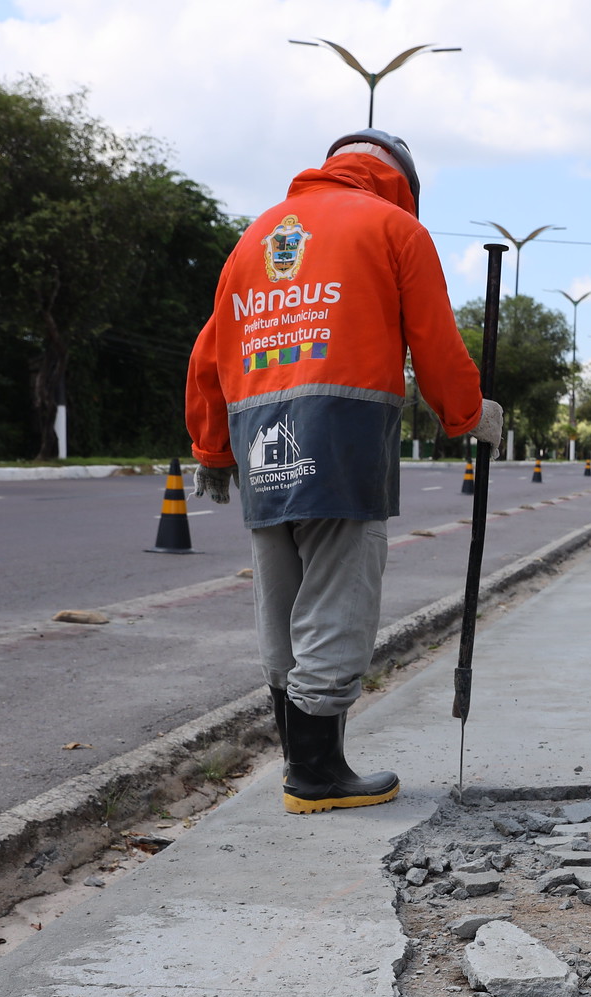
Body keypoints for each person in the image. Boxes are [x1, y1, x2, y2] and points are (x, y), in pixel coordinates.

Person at [184, 130, 502, 812]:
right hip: (343, 434)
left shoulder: (254, 238)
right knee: (337, 598)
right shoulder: (394, 228)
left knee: (280, 600)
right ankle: (317, 772)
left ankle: (298, 758)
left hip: (258, 435)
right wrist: (469, 414)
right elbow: (435, 342)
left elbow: (209, 352)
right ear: (403, 185)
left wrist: (211, 449)